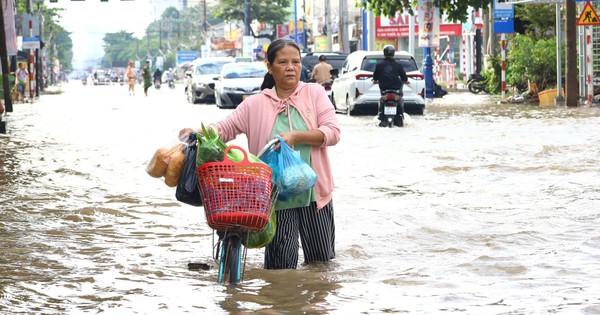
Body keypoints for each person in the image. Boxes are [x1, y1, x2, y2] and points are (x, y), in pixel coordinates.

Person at [179, 38, 341, 270]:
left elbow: (333, 132)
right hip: (275, 198)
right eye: (283, 62)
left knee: (321, 266)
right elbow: (225, 128)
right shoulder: (255, 104)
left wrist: (296, 136)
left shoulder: (314, 93)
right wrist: (200, 132)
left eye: (295, 62)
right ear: (270, 67)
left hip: (315, 196)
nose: (290, 67)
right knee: (280, 269)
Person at [372, 45, 409, 127]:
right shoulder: (397, 65)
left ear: (384, 54)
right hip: (396, 90)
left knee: (381, 100)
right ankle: (400, 114)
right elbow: (404, 77)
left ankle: (380, 114)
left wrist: (375, 81)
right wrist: (406, 81)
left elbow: (375, 78)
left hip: (384, 90)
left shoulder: (379, 65)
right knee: (400, 99)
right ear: (393, 54)